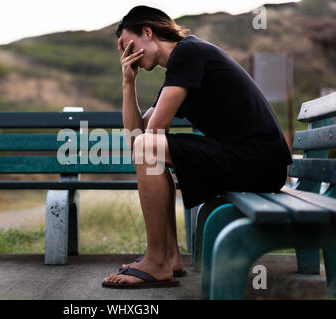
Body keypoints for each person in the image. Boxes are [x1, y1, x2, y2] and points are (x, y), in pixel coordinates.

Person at [102, 5, 292, 288]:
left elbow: (150, 136)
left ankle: (157, 261)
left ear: (147, 31)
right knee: (147, 148)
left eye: (125, 44)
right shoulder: (182, 65)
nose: (124, 55)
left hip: (259, 161)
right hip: (248, 158)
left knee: (149, 147)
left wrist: (146, 142)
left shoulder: (189, 52)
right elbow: (136, 138)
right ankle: (169, 256)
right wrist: (128, 83)